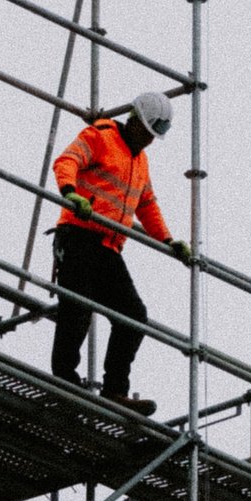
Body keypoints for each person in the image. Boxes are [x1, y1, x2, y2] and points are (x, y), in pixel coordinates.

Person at [49, 87, 192, 410]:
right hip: (77, 236)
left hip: (108, 247)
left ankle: (115, 390)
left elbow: (147, 204)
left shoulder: (140, 161)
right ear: (135, 121)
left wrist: (168, 240)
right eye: (149, 132)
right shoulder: (100, 135)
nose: (150, 140)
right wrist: (70, 193)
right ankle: (64, 382)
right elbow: (67, 161)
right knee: (77, 310)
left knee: (133, 316)